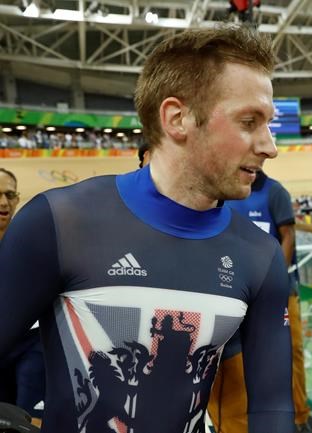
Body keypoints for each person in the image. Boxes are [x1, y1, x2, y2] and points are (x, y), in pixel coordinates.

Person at [0, 24, 294, 433]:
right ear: (178, 118)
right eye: (249, 121)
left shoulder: (259, 255)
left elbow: (273, 408)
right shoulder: (58, 223)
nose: (270, 146)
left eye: (268, 123)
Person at [208, 170, 311, 433]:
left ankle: (299, 418)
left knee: (290, 354)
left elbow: (287, 235)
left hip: (278, 292)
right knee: (241, 363)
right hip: (236, 295)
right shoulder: (223, 194)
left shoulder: (275, 192)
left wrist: (274, 278)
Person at [0, 168, 46, 424]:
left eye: (9, 194)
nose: (3, 203)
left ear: (18, 198)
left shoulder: (35, 240)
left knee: (30, 420)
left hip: (31, 344)